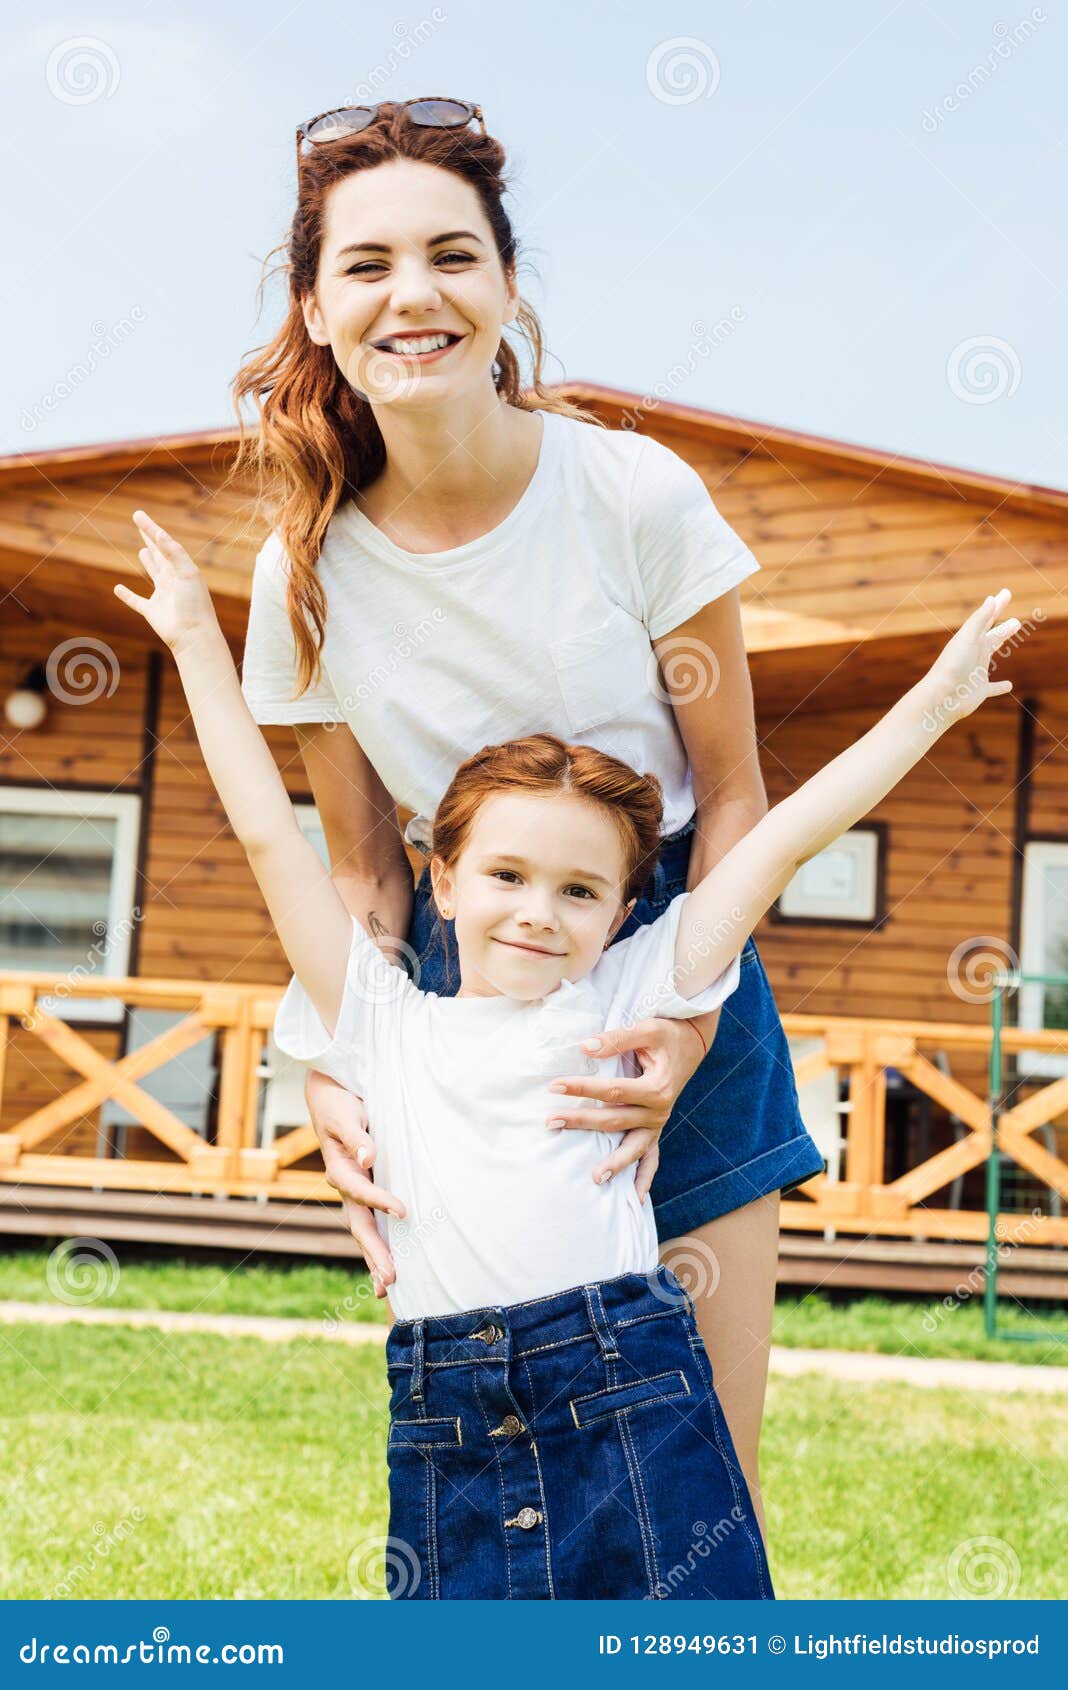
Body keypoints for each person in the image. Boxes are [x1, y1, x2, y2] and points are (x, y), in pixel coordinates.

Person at [113, 514, 1018, 1598]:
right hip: (449, 1410)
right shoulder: (379, 1016)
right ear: (442, 884)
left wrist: (942, 697)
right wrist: (196, 645)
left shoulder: (635, 987)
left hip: (632, 1388)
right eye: (506, 876)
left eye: (579, 890)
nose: (539, 913)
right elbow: (268, 831)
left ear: (622, 910)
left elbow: (781, 838)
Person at [231, 96, 824, 1533]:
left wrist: (681, 1023)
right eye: (365, 264)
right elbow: (368, 874)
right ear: (316, 304)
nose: (412, 294)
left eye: (452, 254)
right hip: (457, 999)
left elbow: (734, 788)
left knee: (700, 1495)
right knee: (516, 1505)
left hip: (673, 952)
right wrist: (332, 1068)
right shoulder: (299, 576)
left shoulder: (631, 494)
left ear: (505, 287)